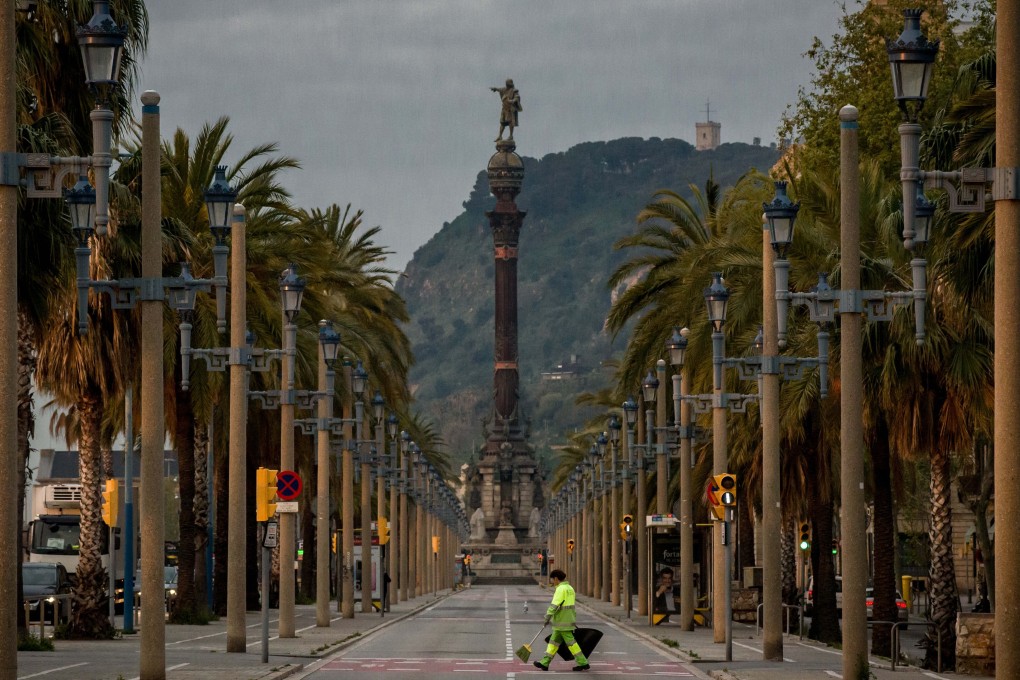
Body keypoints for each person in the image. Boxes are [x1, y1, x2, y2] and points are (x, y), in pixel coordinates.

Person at [534, 569, 590, 672]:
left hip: (562, 621)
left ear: (556, 578)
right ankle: (545, 663)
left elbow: (554, 605)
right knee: (553, 642)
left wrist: (547, 617)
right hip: (566, 620)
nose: (551, 582)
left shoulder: (560, 589)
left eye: (552, 579)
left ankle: (583, 663)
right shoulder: (570, 588)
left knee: (571, 644)